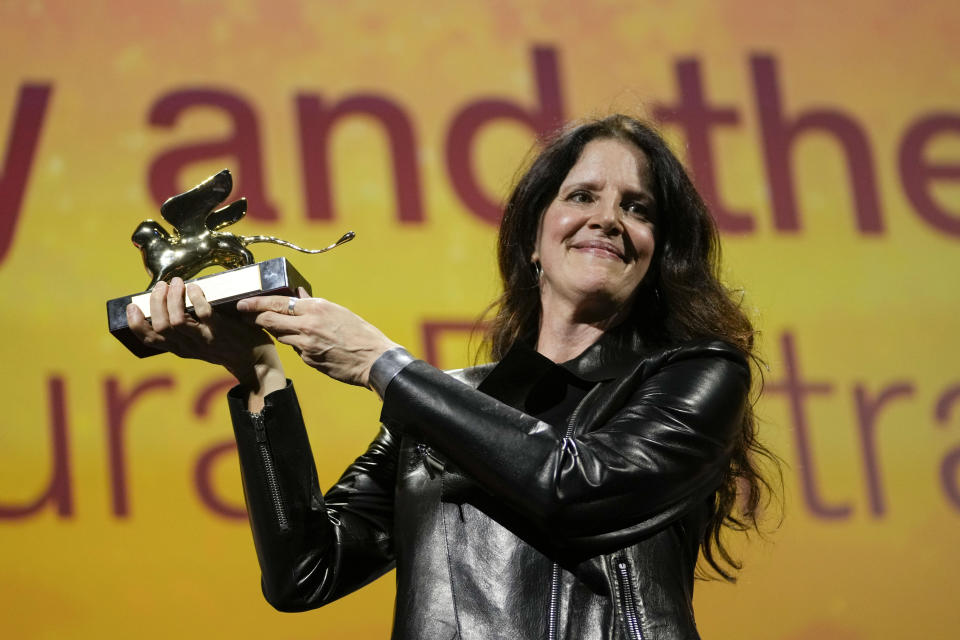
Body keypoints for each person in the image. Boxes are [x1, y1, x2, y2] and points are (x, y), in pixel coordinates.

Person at [127, 114, 776, 640]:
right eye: (582, 196)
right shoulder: (447, 404)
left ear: (658, 252)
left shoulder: (698, 375)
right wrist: (258, 370)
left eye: (638, 208)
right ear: (534, 238)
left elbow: (579, 488)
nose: (608, 217)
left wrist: (384, 366)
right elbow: (307, 570)